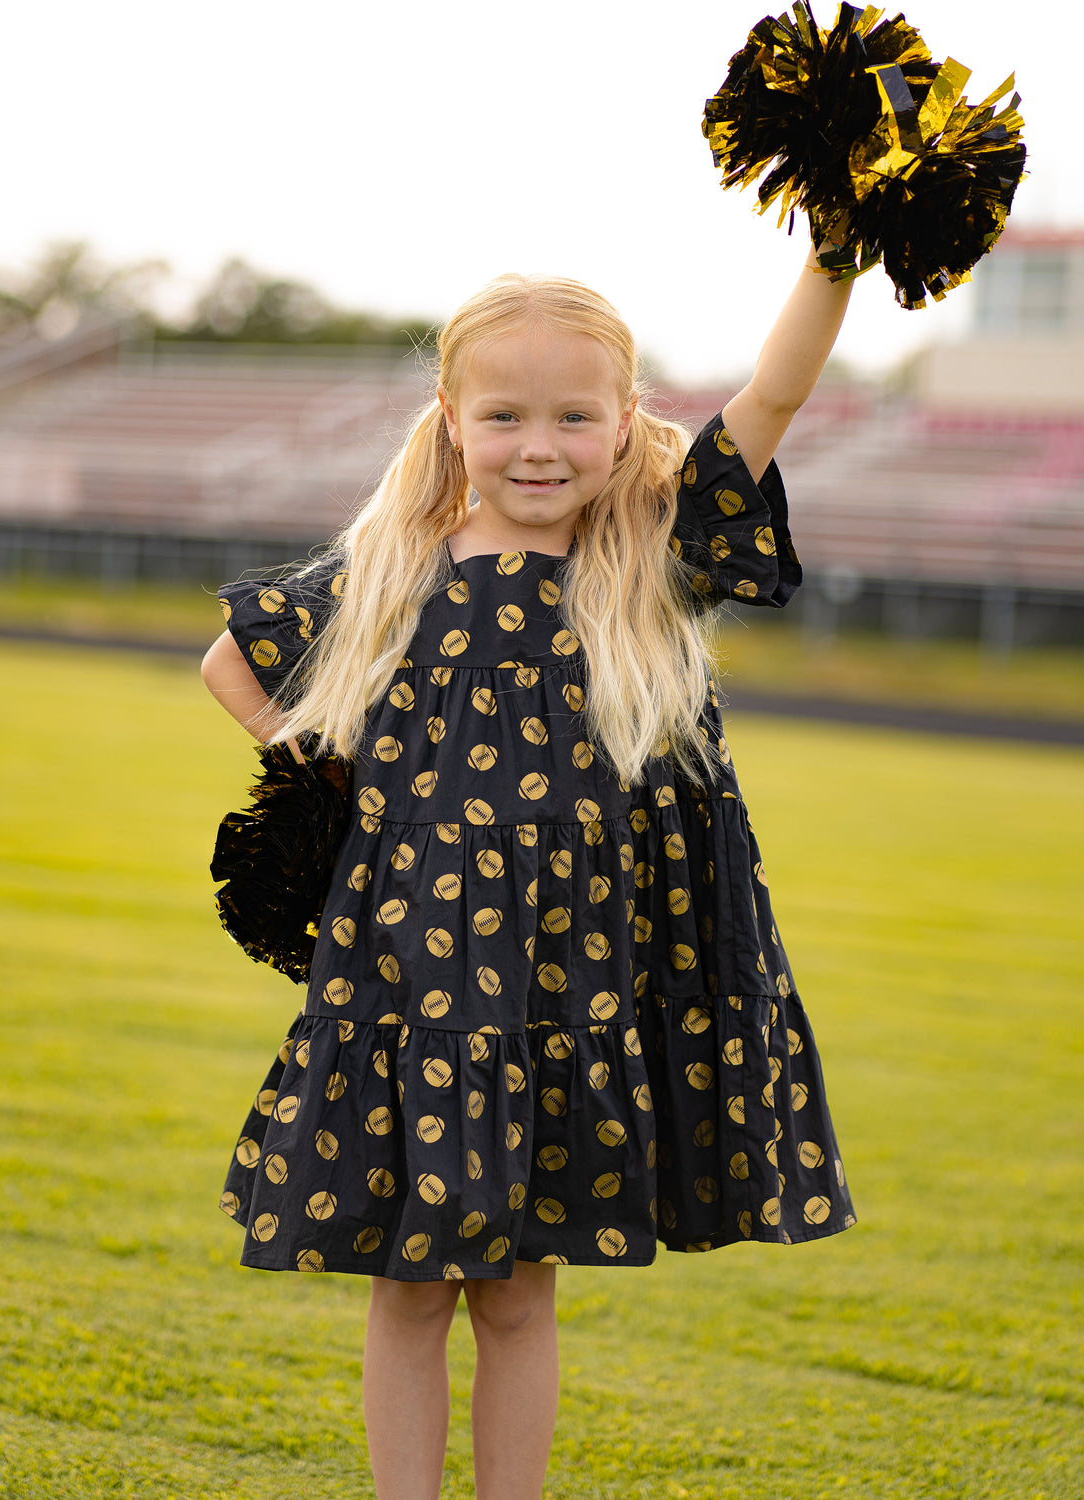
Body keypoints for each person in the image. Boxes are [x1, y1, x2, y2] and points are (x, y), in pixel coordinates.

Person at [201, 240, 857, 1500]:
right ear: (452, 423)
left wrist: (833, 259)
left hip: (571, 986)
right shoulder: (404, 564)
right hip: (420, 976)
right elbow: (232, 658)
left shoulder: (645, 560)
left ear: (625, 425)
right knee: (408, 1289)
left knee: (515, 1293)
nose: (538, 444)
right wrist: (322, 774)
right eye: (503, 415)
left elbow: (769, 399)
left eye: (573, 415)